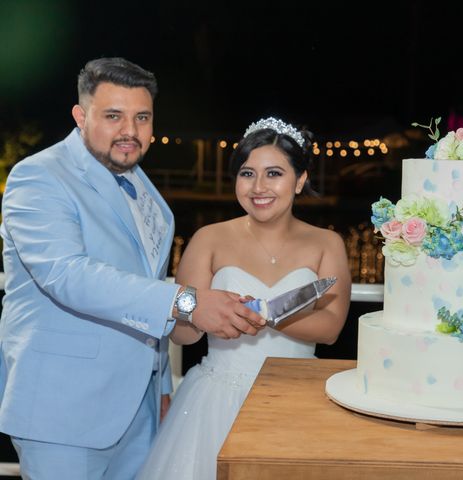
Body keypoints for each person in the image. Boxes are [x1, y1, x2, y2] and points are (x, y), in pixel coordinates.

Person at [0, 57, 265, 480]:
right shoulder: (39, 177)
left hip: (138, 414)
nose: (130, 131)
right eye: (113, 116)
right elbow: (69, 275)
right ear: (80, 116)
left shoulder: (145, 189)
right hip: (63, 413)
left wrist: (160, 387)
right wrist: (188, 302)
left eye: (142, 117)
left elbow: (142, 287)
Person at [136, 117, 352, 479]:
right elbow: (182, 335)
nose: (259, 187)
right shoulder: (208, 239)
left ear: (299, 180)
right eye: (247, 173)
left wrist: (268, 313)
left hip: (295, 398)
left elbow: (330, 328)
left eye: (274, 174)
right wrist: (201, 313)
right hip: (215, 400)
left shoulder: (327, 243)